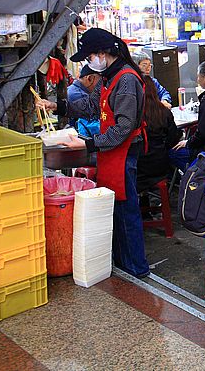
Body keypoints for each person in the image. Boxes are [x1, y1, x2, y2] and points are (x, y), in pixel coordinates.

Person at [36, 28, 149, 277]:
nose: (89, 63)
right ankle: (122, 264)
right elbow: (89, 106)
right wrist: (57, 106)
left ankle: (136, 268)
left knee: (126, 211)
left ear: (102, 53)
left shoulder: (127, 79)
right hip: (111, 151)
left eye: (89, 57)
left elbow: (124, 127)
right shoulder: (108, 77)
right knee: (115, 209)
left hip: (124, 152)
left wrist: (87, 144)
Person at [136, 76, 182, 195]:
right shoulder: (163, 111)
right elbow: (173, 138)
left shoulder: (133, 113)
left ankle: (143, 205)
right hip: (160, 165)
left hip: (138, 166)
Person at [67, 64, 101, 135]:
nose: (101, 86)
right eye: (100, 82)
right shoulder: (80, 95)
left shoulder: (73, 90)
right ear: (90, 79)